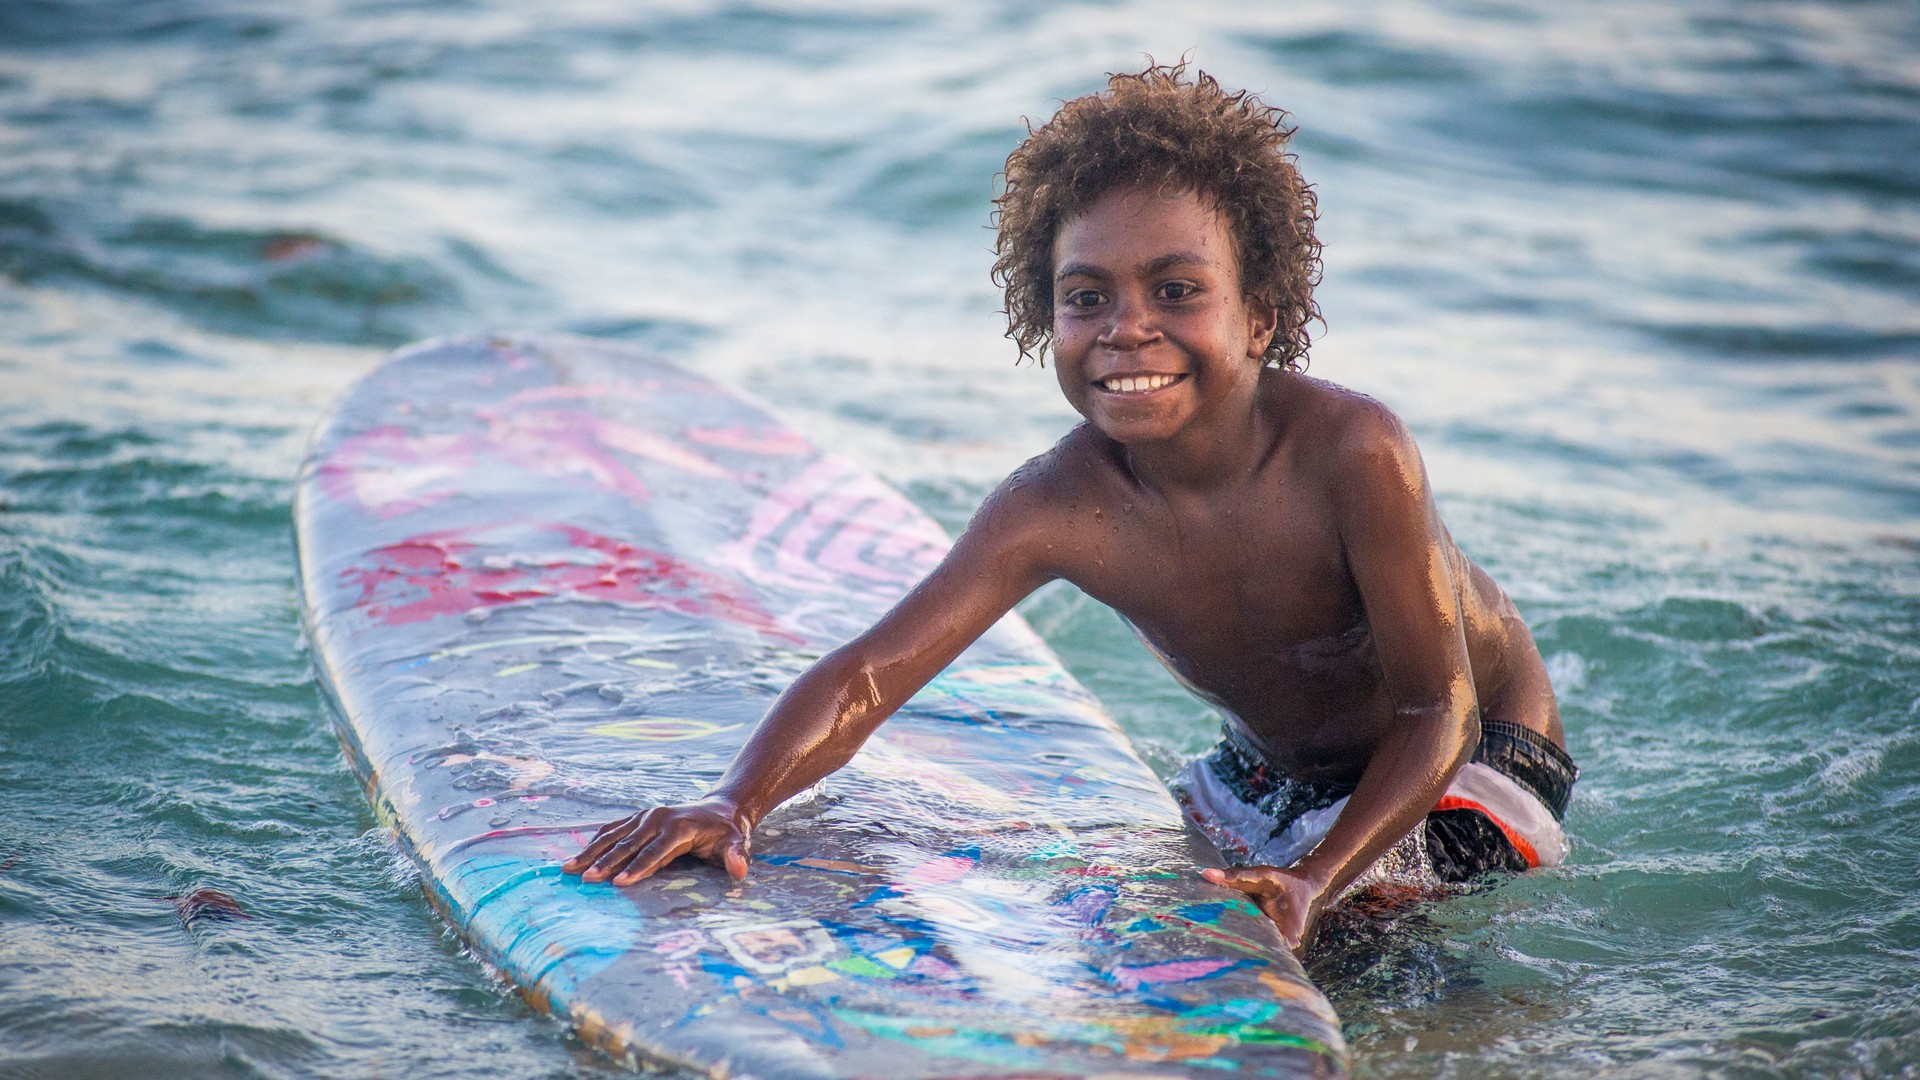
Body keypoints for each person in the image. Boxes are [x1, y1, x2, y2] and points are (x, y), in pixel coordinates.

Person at [563, 62, 1576, 952]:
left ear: (1261, 317)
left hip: (1469, 748)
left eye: (1177, 291)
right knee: (1134, 924)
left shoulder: (1356, 454)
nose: (1127, 329)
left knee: (1355, 955)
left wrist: (1315, 882)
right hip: (1269, 771)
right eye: (1086, 299)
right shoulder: (1056, 506)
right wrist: (735, 801)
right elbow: (869, 678)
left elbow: (1431, 707)